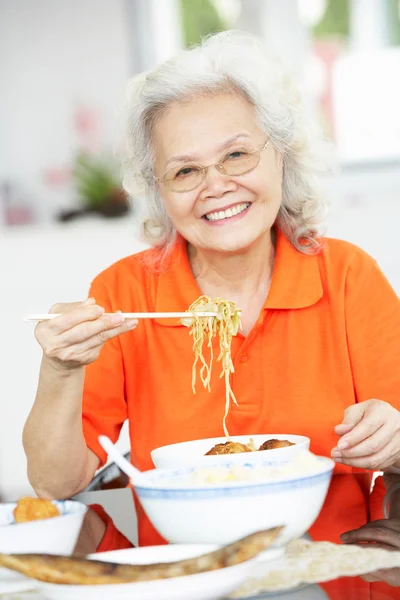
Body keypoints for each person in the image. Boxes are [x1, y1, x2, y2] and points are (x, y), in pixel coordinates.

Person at [23, 31, 400, 598]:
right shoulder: (127, 290)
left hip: (341, 575)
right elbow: (56, 483)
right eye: (185, 171)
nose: (217, 186)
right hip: (187, 583)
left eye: (237, 154)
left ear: (282, 154)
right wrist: (60, 368)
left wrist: (394, 437)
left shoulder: (346, 276)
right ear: (159, 190)